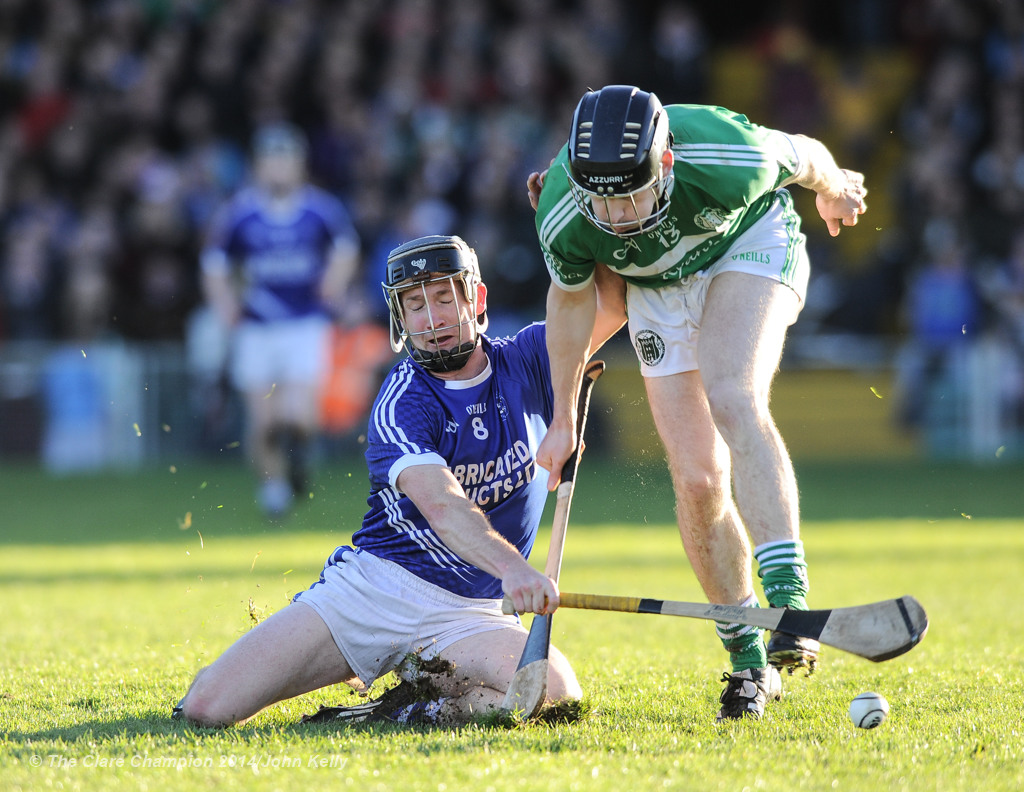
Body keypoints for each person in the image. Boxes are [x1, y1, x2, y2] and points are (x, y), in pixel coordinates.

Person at [175, 234, 614, 728]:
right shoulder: (402, 401)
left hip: (472, 612)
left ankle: (398, 709)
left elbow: (614, 298)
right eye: (414, 305)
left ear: (477, 298)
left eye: (445, 297)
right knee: (207, 708)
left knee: (553, 695)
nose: (432, 319)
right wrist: (515, 569)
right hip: (376, 591)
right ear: (400, 318)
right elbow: (444, 507)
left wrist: (569, 219)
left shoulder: (532, 356)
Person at [528, 85, 867, 721]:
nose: (618, 212)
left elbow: (806, 155)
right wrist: (564, 416)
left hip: (748, 244)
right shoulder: (563, 209)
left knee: (734, 396)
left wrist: (832, 189)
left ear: (664, 163)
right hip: (656, 288)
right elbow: (572, 305)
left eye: (630, 193)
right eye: (601, 196)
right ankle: (748, 663)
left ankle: (791, 603)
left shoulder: (726, 153)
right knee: (699, 478)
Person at [200, 121, 362, 519]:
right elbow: (215, 263)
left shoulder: (320, 210)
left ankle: (300, 459)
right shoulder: (240, 213)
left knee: (298, 417)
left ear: (299, 164)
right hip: (256, 327)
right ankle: (274, 488)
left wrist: (334, 285)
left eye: (285, 159)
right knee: (262, 420)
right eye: (271, 159)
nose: (278, 167)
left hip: (304, 324)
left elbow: (345, 249)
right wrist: (223, 304)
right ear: (258, 166)